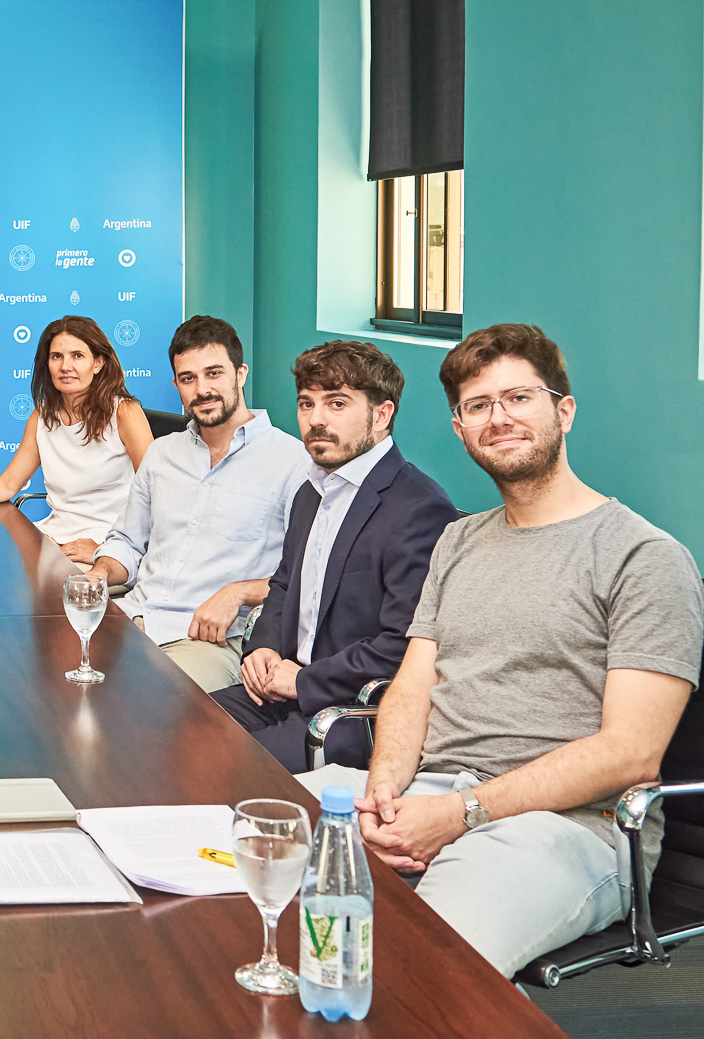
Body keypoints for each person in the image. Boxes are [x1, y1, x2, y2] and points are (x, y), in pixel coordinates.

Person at [295, 324, 702, 980]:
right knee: (232, 851)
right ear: (459, 429)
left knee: (418, 965)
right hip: (427, 792)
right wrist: (381, 796)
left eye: (518, 397)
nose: (499, 417)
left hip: (569, 828)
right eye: (478, 405)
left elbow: (632, 750)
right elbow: (411, 688)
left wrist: (460, 814)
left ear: (563, 410)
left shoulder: (644, 557)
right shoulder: (458, 541)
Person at [208, 341, 455, 771]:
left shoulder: (420, 508)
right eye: (307, 404)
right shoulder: (312, 490)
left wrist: (304, 681)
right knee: (178, 729)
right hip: (279, 688)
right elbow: (283, 584)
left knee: (229, 769)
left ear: (382, 415)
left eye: (337, 403)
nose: (315, 419)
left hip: (350, 712)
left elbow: (403, 645)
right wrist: (262, 648)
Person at [87, 315, 313, 692]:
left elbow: (310, 577)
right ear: (176, 384)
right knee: (48, 681)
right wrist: (97, 574)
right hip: (133, 615)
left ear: (240, 374)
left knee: (141, 706)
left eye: (214, 373)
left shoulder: (294, 462)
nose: (202, 389)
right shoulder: (162, 454)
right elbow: (127, 543)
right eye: (188, 378)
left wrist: (238, 592)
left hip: (210, 641)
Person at [0, 316, 152, 558]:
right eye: (57, 357)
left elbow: (156, 493)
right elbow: (10, 483)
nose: (65, 366)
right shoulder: (42, 415)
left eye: (78, 356)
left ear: (98, 363)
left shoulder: (125, 413)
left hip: (110, 545)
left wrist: (109, 549)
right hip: (53, 538)